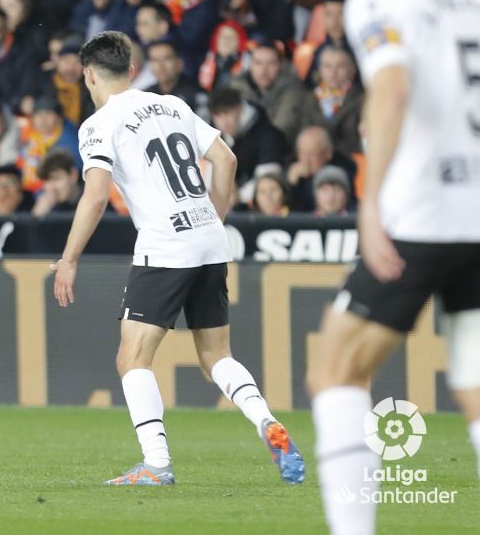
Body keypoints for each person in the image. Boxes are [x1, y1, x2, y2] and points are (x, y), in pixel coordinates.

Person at [51, 30, 304, 486]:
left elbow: (94, 196)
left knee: (132, 360)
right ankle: (266, 421)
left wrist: (69, 259)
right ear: (131, 70)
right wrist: (214, 216)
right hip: (209, 239)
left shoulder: (99, 124)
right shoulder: (173, 105)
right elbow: (225, 159)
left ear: (88, 76)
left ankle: (157, 464)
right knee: (217, 356)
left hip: (165, 245)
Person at [309, 0, 480, 534]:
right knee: (476, 387)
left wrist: (371, 200)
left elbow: (391, 90)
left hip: (423, 213)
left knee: (336, 369)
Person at [286, 125, 355, 212]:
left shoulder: (342, 172)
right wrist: (290, 185)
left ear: (328, 154)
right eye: (302, 153)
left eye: (312, 154)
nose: (306, 160)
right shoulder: (292, 169)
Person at [31, 148, 84, 217]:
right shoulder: (48, 208)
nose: (50, 187)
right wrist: (38, 217)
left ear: (73, 175)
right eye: (46, 181)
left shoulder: (92, 199)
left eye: (55, 179)